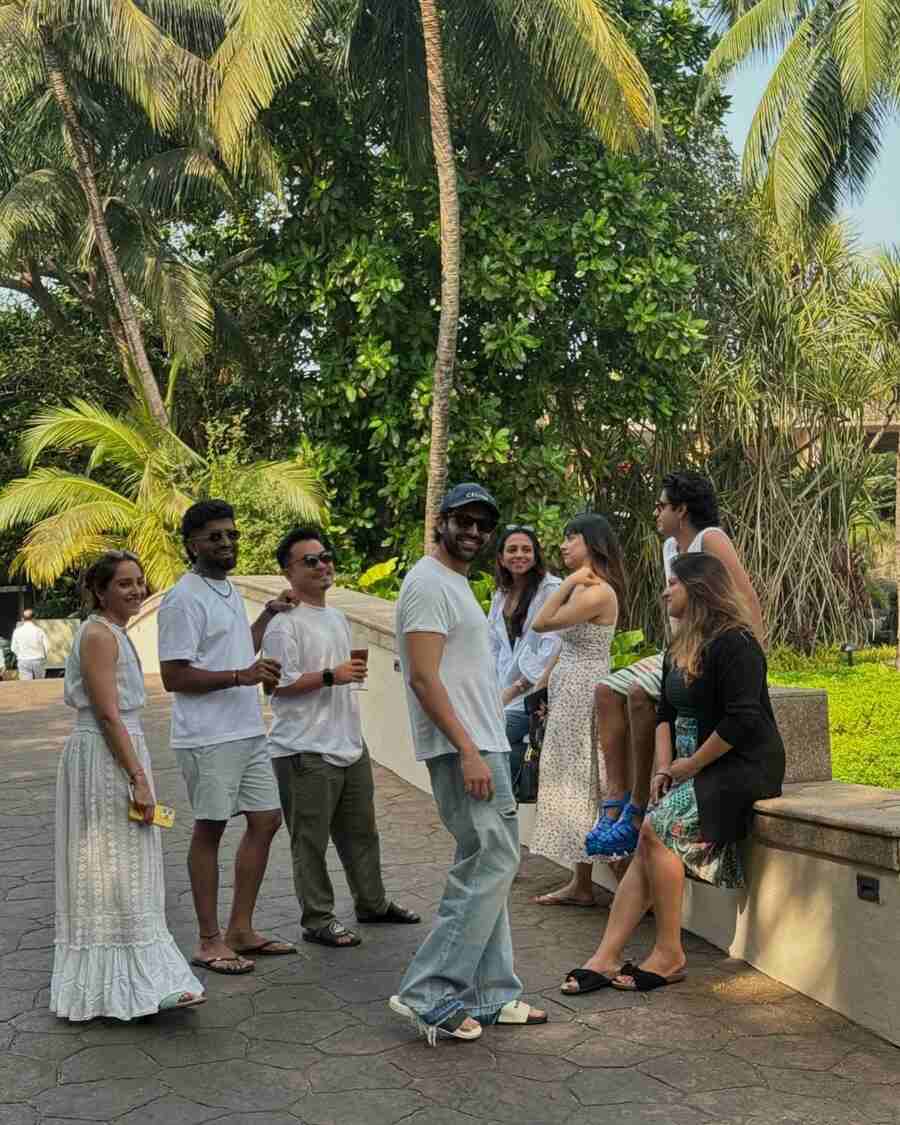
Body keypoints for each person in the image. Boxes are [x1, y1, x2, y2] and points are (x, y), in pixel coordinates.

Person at [561, 552, 784, 996]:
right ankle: (606, 956)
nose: (665, 591)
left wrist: (691, 765)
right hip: (693, 766)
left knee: (655, 832)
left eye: (673, 584)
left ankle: (669, 953)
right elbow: (664, 711)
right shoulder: (680, 645)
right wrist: (665, 768)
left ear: (699, 589)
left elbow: (743, 720)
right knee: (650, 836)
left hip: (741, 766)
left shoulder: (737, 643)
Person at [390, 483, 547, 1045]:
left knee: (490, 863)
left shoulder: (453, 583)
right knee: (490, 861)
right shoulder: (427, 584)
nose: (475, 532)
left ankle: (493, 992)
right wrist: (468, 749)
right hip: (467, 748)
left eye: (484, 524)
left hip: (484, 743)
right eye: (465, 520)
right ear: (442, 521)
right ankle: (428, 993)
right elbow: (422, 677)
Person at [51, 551, 205, 1020]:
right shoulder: (98, 634)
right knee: (109, 867)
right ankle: (124, 985)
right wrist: (136, 775)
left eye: (139, 582)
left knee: (130, 864)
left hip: (117, 750)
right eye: (124, 584)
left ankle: (148, 977)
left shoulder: (113, 631)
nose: (137, 590)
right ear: (100, 591)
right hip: (104, 756)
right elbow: (106, 713)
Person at [588, 471, 764, 862]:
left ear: (681, 510)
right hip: (678, 651)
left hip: (713, 651)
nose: (656, 511)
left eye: (662, 505)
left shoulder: (710, 540)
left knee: (637, 695)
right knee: (604, 689)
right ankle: (614, 802)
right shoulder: (670, 546)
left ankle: (637, 807)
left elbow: (746, 595)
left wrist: (755, 657)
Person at [262, 526, 420, 949]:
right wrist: (333, 676)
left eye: (325, 557)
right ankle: (317, 918)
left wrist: (342, 677)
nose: (321, 566)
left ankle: (372, 903)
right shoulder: (283, 624)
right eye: (309, 561)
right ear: (287, 571)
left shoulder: (335, 617)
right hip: (303, 748)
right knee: (310, 840)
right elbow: (275, 685)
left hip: (347, 742)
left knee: (361, 833)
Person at [158, 499, 295, 976]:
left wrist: (268, 616)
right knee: (211, 828)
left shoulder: (228, 590)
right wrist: (242, 676)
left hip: (246, 729)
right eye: (215, 537)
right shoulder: (183, 598)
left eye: (232, 535)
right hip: (207, 735)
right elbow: (174, 676)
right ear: (192, 544)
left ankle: (240, 929)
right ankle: (207, 940)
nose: (227, 543)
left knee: (266, 820)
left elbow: (239, 648)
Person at [528, 513, 626, 906]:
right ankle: (581, 883)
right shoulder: (587, 588)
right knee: (573, 781)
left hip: (586, 689)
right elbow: (564, 643)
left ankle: (633, 885)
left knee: (590, 779)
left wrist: (567, 581)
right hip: (570, 686)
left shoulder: (597, 591)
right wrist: (543, 683)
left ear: (592, 542)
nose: (564, 545)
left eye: (572, 538)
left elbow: (541, 623)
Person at [487, 526, 561, 786]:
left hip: (533, 695)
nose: (519, 555)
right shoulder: (501, 594)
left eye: (526, 549)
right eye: (512, 550)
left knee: (493, 739)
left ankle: (504, 803)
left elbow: (552, 650)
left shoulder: (552, 591)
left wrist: (515, 688)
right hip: (500, 692)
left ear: (536, 555)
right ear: (500, 558)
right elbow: (491, 647)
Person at [12, 608, 49, 680]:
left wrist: (20, 655)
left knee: (26, 685)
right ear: (33, 618)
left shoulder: (17, 631)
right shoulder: (39, 631)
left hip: (23, 660)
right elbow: (47, 647)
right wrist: (44, 657)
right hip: (38, 660)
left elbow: (13, 648)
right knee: (40, 683)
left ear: (22, 618)